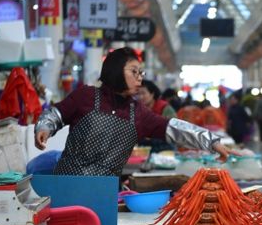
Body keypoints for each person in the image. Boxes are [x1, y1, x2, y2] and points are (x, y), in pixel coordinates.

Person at [34, 47, 230, 176]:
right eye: (134, 71)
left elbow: (172, 127)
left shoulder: (138, 113)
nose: (140, 78)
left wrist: (211, 142)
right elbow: (56, 114)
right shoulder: (86, 96)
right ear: (115, 70)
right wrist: (44, 127)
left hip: (104, 194)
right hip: (66, 185)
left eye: (140, 73)